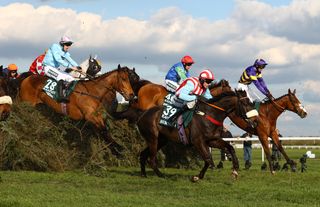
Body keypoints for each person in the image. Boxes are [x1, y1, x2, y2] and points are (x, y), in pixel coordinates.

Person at [173, 69, 214, 144]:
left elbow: (210, 99)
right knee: (193, 102)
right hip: (177, 100)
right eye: (208, 81)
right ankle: (179, 122)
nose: (209, 84)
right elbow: (179, 94)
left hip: (188, 101)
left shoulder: (205, 88)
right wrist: (195, 98)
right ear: (202, 80)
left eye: (210, 82)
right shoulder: (192, 84)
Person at [42, 35, 81, 102]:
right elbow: (58, 59)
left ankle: (67, 94)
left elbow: (70, 60)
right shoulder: (55, 46)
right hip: (47, 67)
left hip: (55, 69)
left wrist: (78, 67)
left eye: (70, 44)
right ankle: (60, 97)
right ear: (62, 44)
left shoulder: (65, 52)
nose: (69, 46)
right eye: (67, 44)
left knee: (71, 78)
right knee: (61, 77)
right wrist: (71, 67)